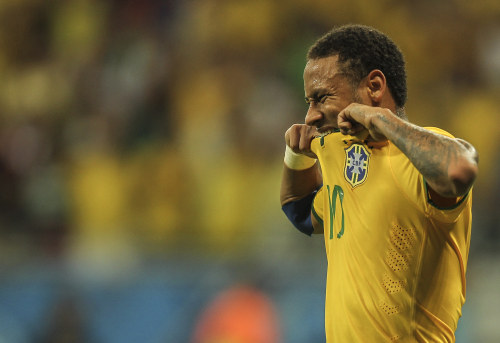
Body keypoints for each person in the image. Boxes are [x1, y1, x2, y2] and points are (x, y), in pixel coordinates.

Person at [280, 24, 478, 342]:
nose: (310, 116)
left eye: (321, 98)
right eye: (309, 102)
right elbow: (302, 212)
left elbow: (460, 170)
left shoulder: (419, 158)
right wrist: (296, 157)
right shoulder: (338, 154)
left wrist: (381, 120)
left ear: (374, 86)